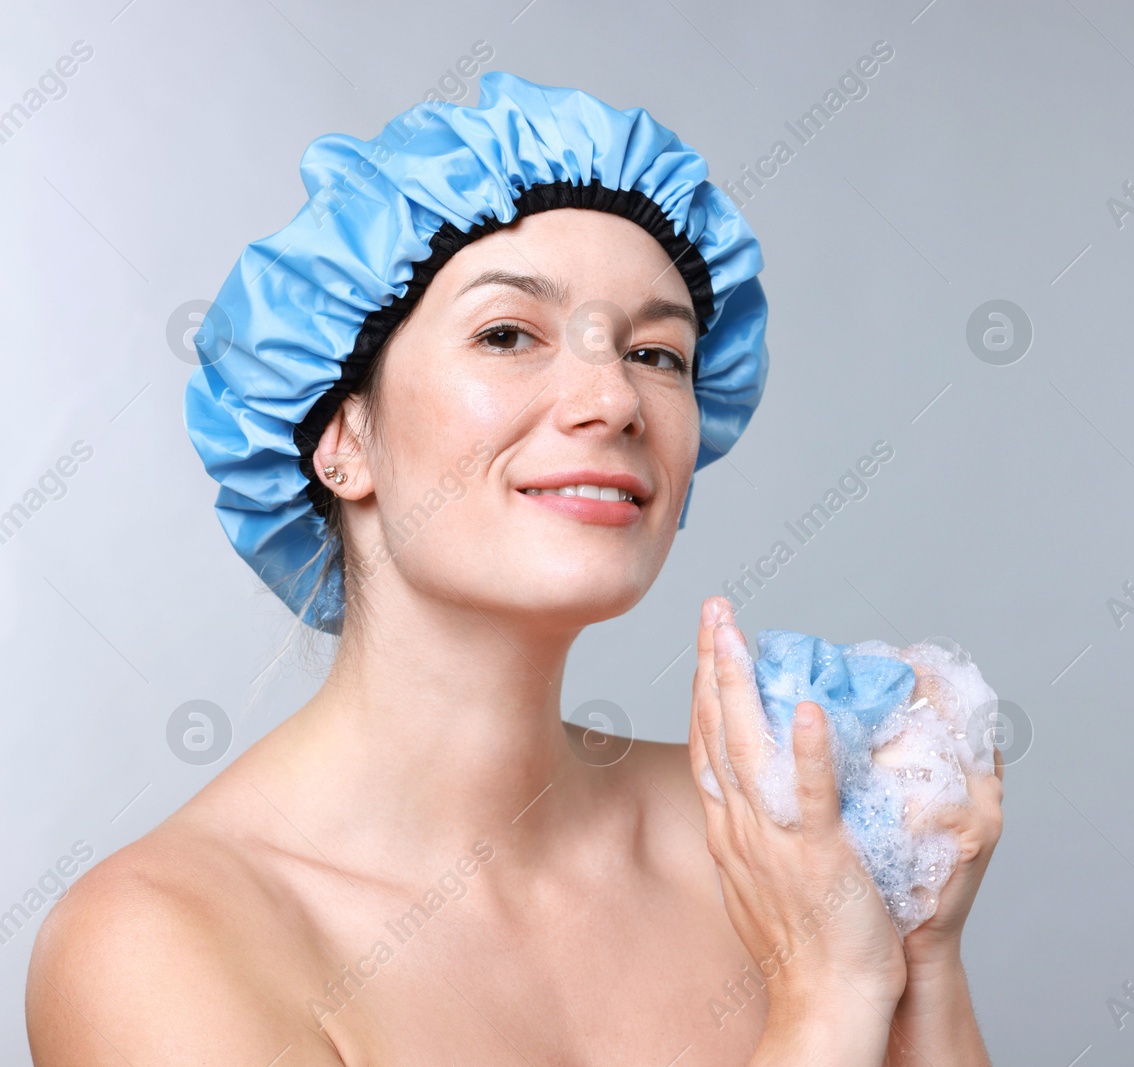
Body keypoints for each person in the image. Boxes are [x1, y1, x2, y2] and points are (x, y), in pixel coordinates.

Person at [25, 74, 1002, 1065]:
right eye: (507, 334)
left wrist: (917, 951)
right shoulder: (158, 945)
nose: (613, 398)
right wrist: (824, 998)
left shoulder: (768, 835)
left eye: (657, 353)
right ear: (341, 438)